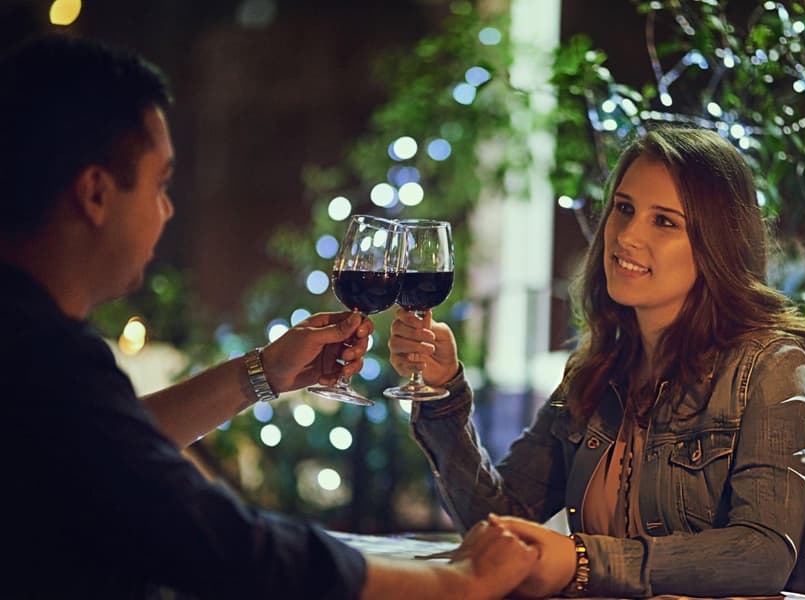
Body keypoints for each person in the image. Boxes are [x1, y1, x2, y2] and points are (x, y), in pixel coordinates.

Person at [0, 34, 538, 599]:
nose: (169, 210)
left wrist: (262, 373)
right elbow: (223, 544)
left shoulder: (32, 345)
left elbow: (116, 445)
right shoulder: (42, 359)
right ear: (95, 193)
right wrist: (457, 584)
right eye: (161, 184)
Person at [388, 125, 805, 598]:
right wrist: (443, 392)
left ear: (717, 244)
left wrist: (582, 560)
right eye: (624, 208)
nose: (626, 236)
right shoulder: (601, 366)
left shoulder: (771, 364)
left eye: (665, 222)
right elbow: (499, 524)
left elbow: (763, 554)